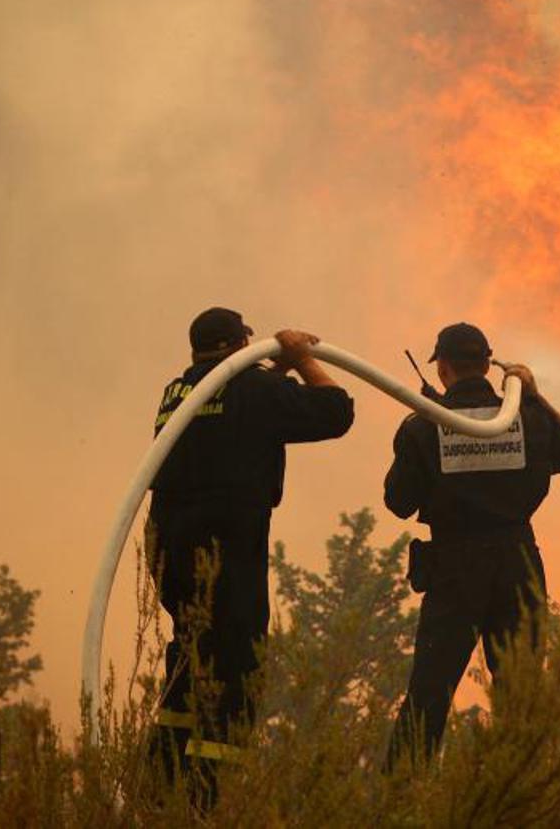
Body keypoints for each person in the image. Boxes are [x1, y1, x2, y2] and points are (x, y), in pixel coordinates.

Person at [146, 307, 355, 802]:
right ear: (241, 344)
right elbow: (335, 411)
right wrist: (301, 358)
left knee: (190, 659)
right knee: (236, 669)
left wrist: (274, 371)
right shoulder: (255, 392)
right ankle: (209, 801)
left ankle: (157, 790)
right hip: (230, 552)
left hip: (173, 554)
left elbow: (237, 410)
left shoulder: (177, 391)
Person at [383, 322, 560, 770]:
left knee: (429, 693)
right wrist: (531, 394)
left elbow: (398, 502)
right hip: (519, 563)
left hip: (455, 568)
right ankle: (521, 793)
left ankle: (399, 798)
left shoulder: (423, 426)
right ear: (487, 363)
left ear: (441, 367)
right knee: (521, 693)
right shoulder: (528, 418)